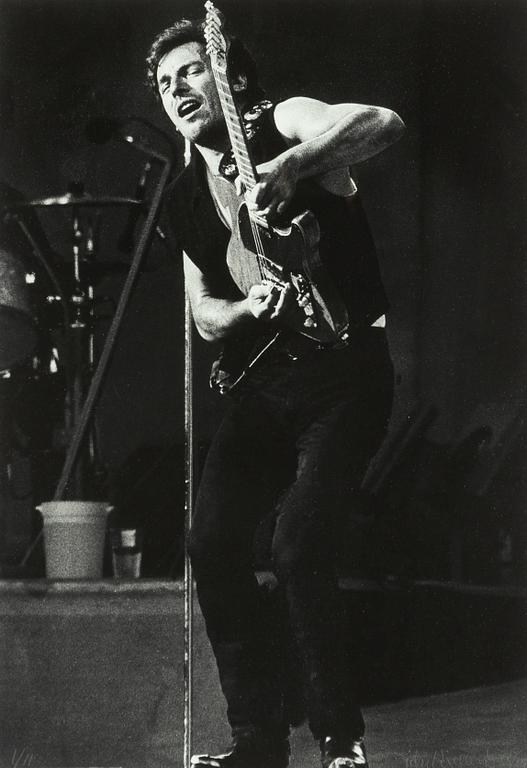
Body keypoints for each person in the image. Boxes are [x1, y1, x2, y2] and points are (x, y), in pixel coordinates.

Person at [147, 14, 404, 768]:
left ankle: (338, 739)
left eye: (192, 70)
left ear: (227, 74)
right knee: (212, 541)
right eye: (165, 84)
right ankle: (257, 742)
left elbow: (380, 122)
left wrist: (289, 170)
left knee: (296, 546)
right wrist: (240, 309)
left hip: (345, 376)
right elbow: (202, 312)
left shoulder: (282, 121)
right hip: (263, 386)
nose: (178, 89)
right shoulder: (184, 199)